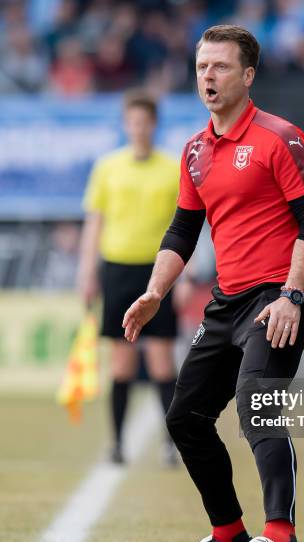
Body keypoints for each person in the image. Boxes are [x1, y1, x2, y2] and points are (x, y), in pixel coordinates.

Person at [123, 25, 304, 542]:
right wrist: (154, 291)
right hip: (226, 302)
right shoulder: (194, 151)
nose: (207, 78)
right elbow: (183, 231)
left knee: (256, 405)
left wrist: (291, 295)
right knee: (185, 417)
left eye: (219, 67)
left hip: (277, 297)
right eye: (201, 68)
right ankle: (228, 532)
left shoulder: (280, 137)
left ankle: (282, 540)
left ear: (248, 75)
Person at [78, 89, 190, 466]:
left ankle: (170, 444)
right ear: (126, 125)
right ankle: (118, 443)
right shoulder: (108, 167)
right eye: (133, 122)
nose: (139, 129)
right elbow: (95, 224)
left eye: (145, 122)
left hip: (157, 272)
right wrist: (88, 272)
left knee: (161, 361)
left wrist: (185, 276)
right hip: (117, 269)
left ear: (154, 125)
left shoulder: (171, 168)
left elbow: (188, 226)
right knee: (121, 364)